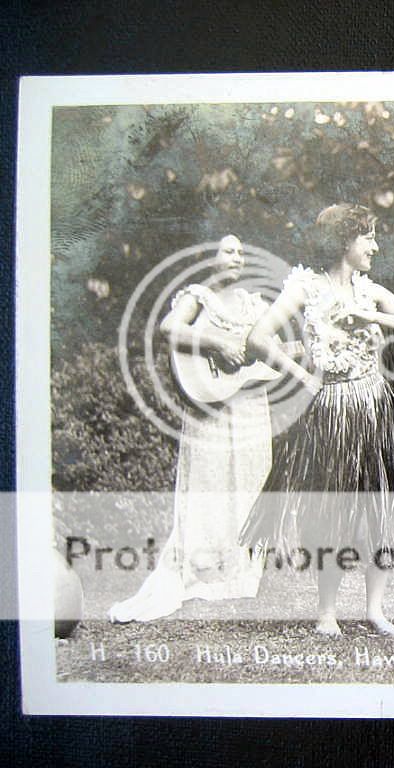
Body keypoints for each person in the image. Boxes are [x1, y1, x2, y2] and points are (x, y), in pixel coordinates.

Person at [239, 203, 394, 636]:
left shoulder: (371, 291)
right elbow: (257, 338)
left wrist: (372, 316)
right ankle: (327, 611)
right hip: (332, 412)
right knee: (334, 511)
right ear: (346, 240)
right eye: (369, 237)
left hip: (374, 405)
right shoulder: (305, 288)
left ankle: (375, 609)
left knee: (381, 505)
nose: (376, 246)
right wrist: (303, 377)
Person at [109, 234, 271, 622]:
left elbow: (273, 347)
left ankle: (239, 569)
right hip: (210, 400)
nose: (237, 256)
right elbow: (170, 327)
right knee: (211, 480)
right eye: (228, 250)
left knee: (251, 476)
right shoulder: (198, 294)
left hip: (248, 400)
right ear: (209, 256)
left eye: (241, 250)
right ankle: (204, 567)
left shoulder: (255, 302)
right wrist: (216, 342)